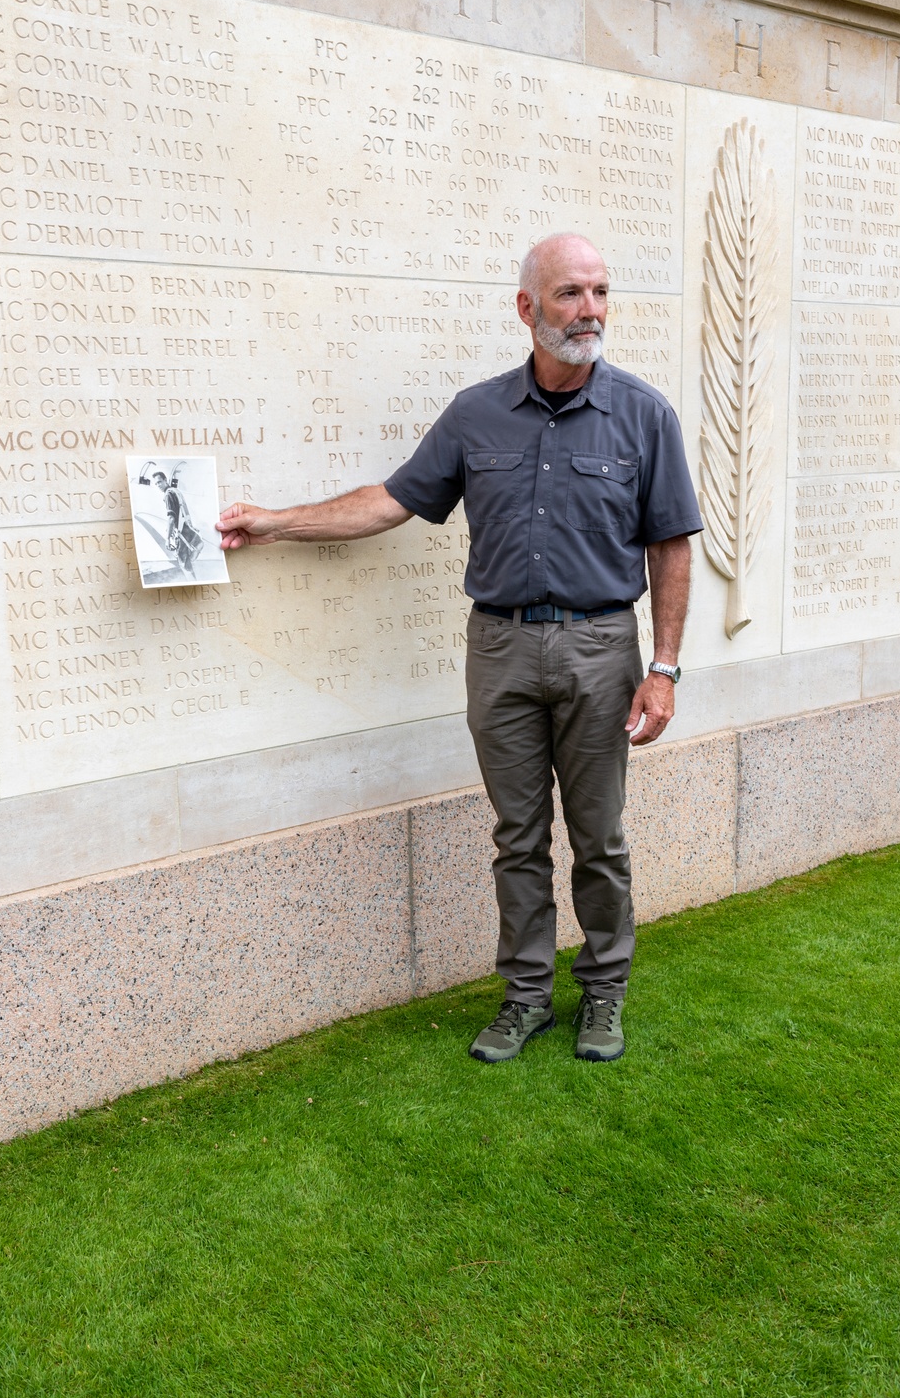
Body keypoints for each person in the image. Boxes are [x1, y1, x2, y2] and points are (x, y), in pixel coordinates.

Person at [217, 233, 703, 1065]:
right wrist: (276, 523)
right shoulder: (477, 414)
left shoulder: (644, 414)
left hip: (600, 649)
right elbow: (390, 501)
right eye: (569, 294)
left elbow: (672, 546)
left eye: (600, 292)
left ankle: (603, 995)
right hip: (501, 649)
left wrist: (662, 669)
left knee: (600, 836)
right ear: (527, 308)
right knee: (517, 837)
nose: (590, 310)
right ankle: (524, 1000)